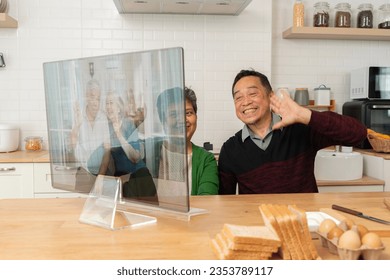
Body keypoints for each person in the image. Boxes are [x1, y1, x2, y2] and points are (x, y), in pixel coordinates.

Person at [218, 69, 367, 194]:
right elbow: (225, 201)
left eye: (252, 94)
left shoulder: (300, 130)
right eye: (238, 97)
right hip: (259, 225)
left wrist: (304, 114)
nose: (245, 102)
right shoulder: (230, 150)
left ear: (271, 96)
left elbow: (358, 134)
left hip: (304, 221)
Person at [153, 87, 219, 195]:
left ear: (196, 117)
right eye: (173, 115)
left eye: (188, 113)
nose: (182, 120)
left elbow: (208, 200)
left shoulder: (206, 160)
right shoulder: (150, 152)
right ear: (163, 121)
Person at [70, 79, 110, 176]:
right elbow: (72, 146)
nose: (95, 102)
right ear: (86, 97)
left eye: (98, 99)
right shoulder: (78, 116)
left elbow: (107, 150)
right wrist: (77, 125)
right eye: (93, 97)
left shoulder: (103, 117)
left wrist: (101, 175)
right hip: (82, 171)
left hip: (101, 171)